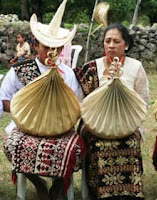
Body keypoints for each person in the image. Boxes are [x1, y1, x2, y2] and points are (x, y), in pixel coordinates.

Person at [0, 0, 86, 200]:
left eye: (56, 47)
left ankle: (58, 184)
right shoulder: (19, 71)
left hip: (60, 128)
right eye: (46, 46)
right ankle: (38, 182)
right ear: (36, 45)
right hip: (25, 127)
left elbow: (76, 105)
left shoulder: (67, 73)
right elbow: (3, 100)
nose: (51, 52)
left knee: (76, 148)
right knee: (12, 145)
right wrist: (27, 113)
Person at [74, 23, 149, 200]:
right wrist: (96, 120)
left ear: (126, 45)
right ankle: (103, 193)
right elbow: (80, 102)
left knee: (130, 143)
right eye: (107, 41)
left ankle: (129, 193)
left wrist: (128, 121)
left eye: (116, 41)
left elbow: (143, 101)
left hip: (128, 124)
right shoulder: (92, 68)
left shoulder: (136, 67)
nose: (111, 45)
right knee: (100, 145)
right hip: (95, 125)